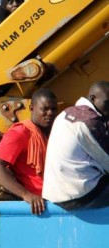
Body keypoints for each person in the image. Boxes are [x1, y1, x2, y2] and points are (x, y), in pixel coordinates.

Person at [0, 88, 58, 215]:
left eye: (54, 109)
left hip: (54, 199)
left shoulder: (52, 133)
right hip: (38, 205)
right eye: (45, 109)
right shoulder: (20, 132)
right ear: (32, 108)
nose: (50, 113)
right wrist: (26, 195)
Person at [42, 81, 109, 210]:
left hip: (55, 194)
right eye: (108, 103)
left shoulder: (66, 113)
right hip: (80, 196)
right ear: (93, 98)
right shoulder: (89, 121)